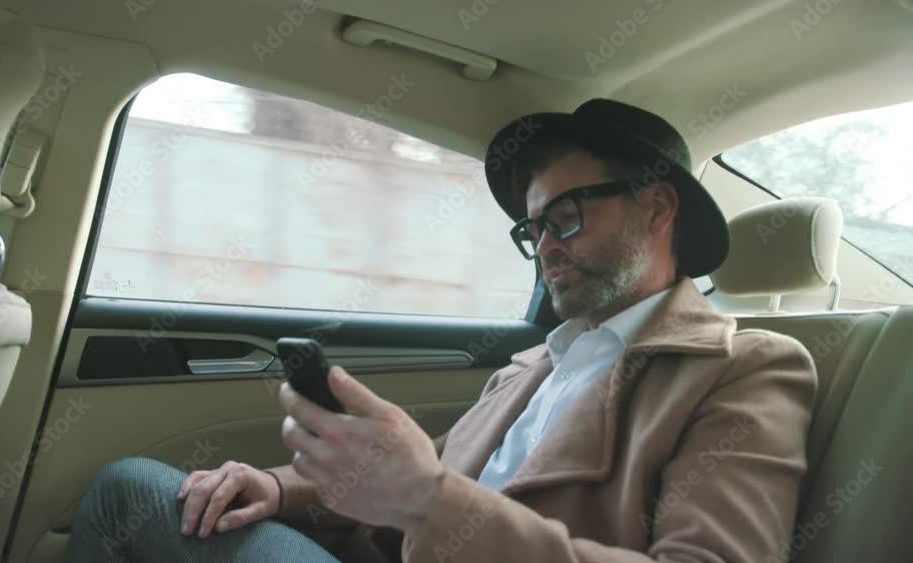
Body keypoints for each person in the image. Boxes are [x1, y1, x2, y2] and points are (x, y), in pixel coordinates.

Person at [66, 99, 816, 562]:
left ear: (657, 209)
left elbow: (425, 495)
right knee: (144, 495)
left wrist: (431, 500)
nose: (547, 243)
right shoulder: (533, 365)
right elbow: (400, 490)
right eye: (533, 227)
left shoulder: (747, 366)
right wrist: (276, 486)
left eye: (567, 215)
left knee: (122, 494)